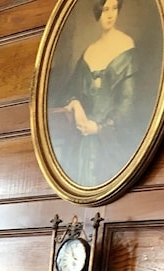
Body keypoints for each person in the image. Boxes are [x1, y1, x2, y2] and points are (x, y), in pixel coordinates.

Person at [57, 0, 138, 188]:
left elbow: (128, 101)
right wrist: (76, 103)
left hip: (112, 138)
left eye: (114, 8)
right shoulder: (90, 51)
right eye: (105, 10)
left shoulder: (126, 45)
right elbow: (71, 90)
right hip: (84, 136)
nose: (110, 15)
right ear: (97, 13)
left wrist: (100, 127)